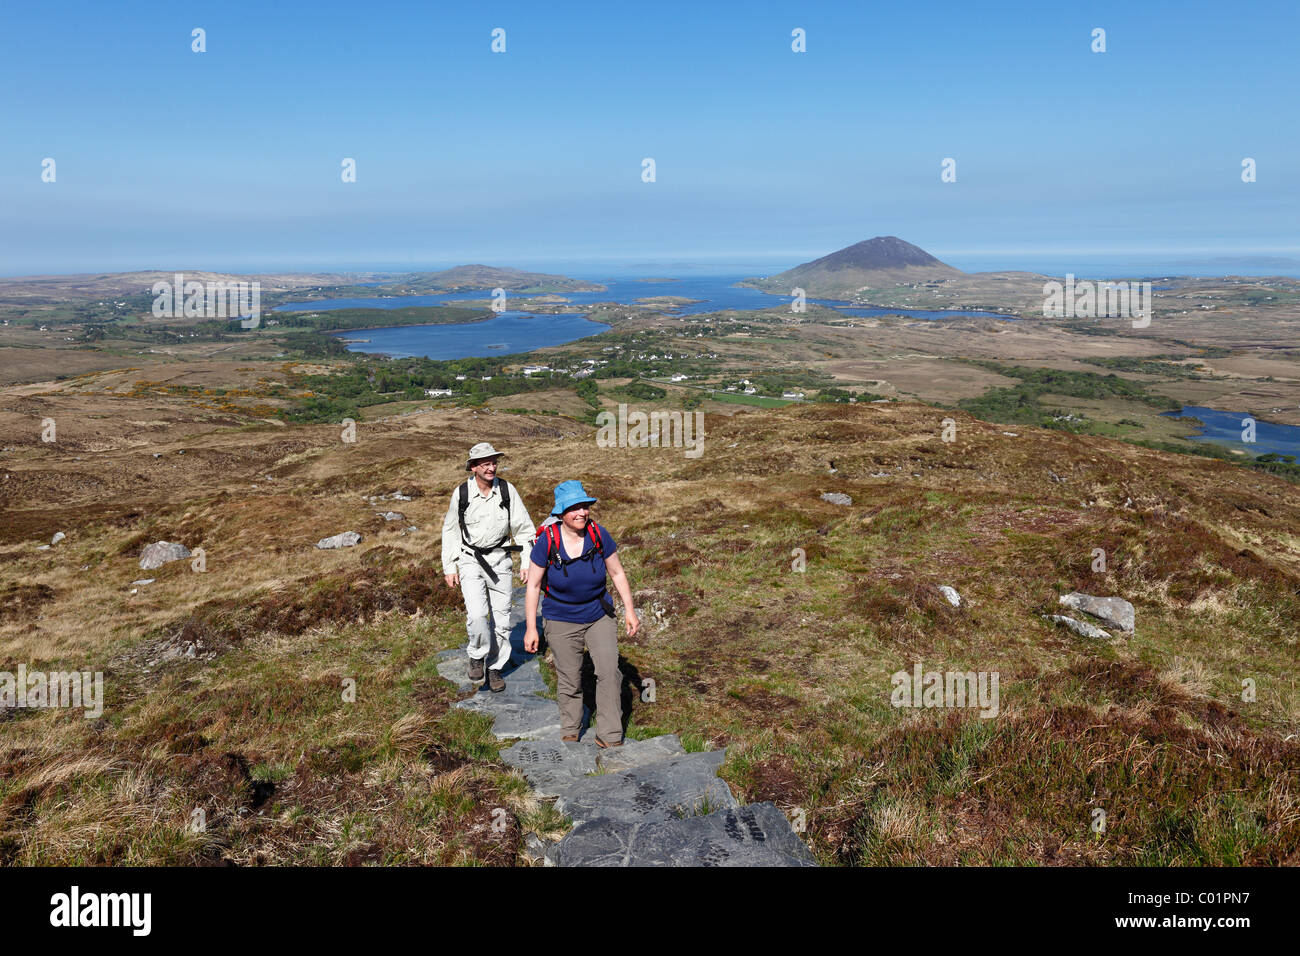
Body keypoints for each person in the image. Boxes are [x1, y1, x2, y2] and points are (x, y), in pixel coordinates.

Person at [524, 480, 639, 747]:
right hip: (560, 618)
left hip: (598, 613)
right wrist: (531, 627)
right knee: (570, 676)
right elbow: (532, 585)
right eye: (573, 508)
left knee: (610, 671)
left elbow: (617, 572)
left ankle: (610, 735)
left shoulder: (598, 534)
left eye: (584, 507)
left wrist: (629, 611)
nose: (581, 513)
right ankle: (571, 726)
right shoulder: (547, 541)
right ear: (561, 513)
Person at [441, 442, 536, 692]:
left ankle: (494, 667)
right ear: (473, 467)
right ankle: (477, 654)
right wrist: (449, 566)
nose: (491, 467)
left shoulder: (506, 490)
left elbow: (524, 529)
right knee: (477, 615)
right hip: (470, 559)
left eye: (493, 462)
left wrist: (526, 561)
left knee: (502, 620)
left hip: (501, 560)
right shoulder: (461, 494)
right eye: (485, 463)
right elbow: (450, 530)